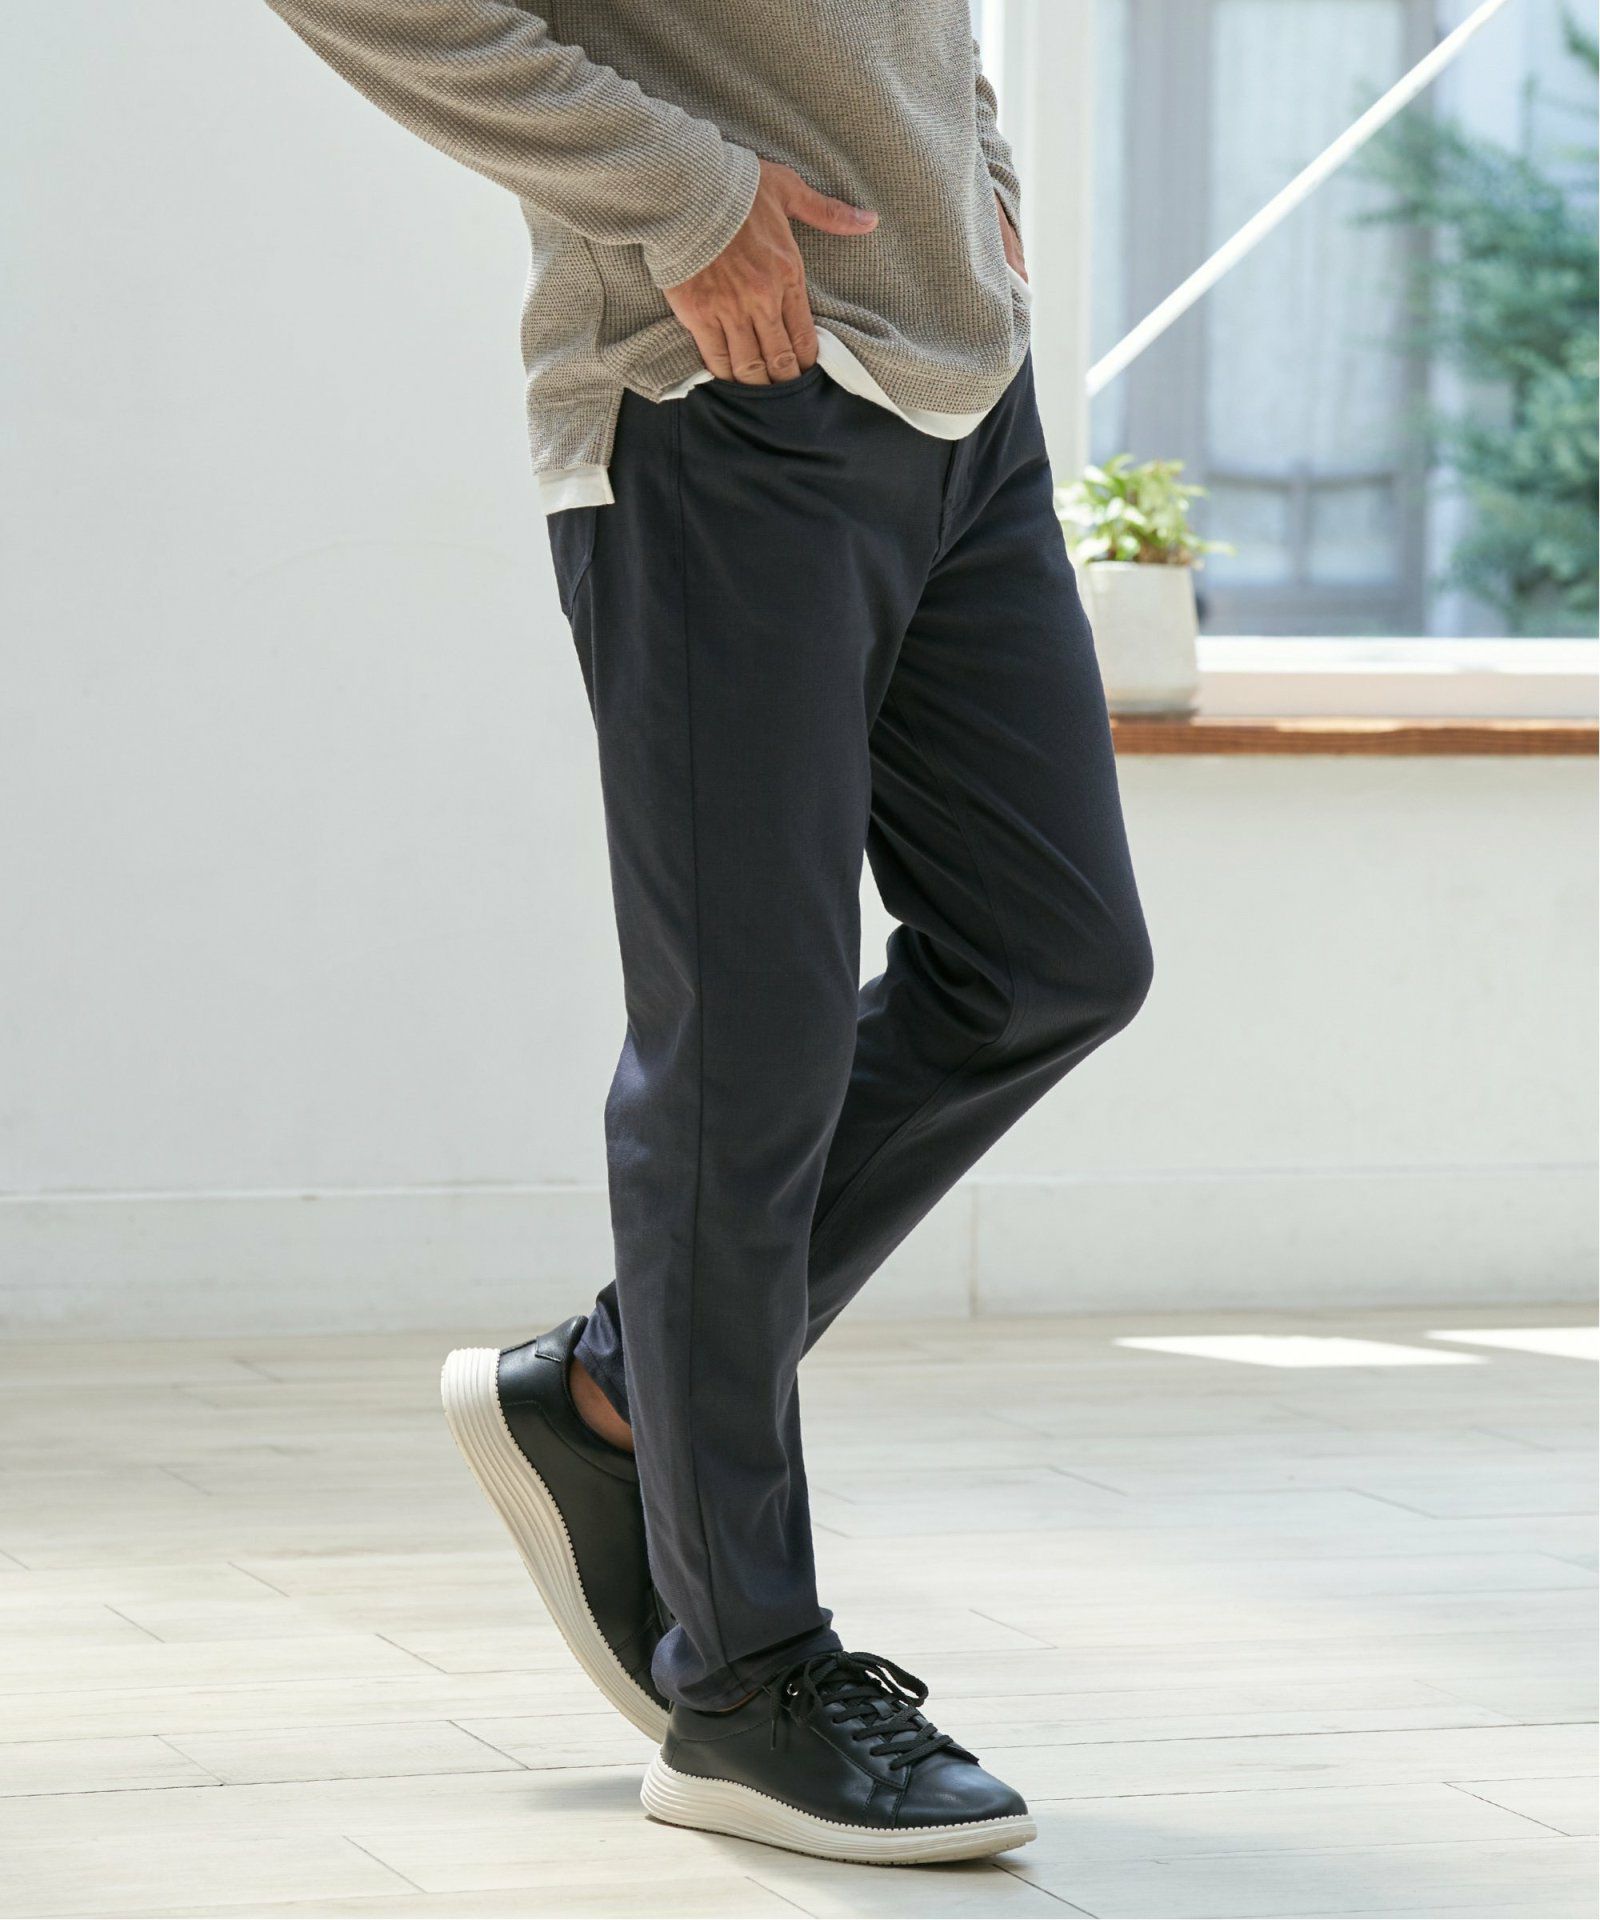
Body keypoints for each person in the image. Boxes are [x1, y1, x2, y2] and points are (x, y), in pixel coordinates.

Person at [267, 0, 1153, 1866]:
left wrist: (977, 165)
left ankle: (609, 1389)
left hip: (962, 399)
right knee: (745, 1047)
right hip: (716, 397)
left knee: (1054, 959)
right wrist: (682, 194)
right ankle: (740, 1681)